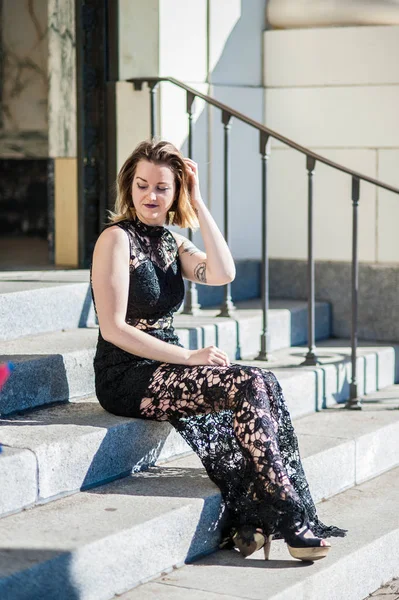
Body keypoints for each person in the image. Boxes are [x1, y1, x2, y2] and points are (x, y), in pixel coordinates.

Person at [90, 139, 346, 562]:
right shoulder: (115, 240)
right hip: (126, 373)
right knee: (247, 382)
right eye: (141, 185)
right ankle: (287, 514)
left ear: (175, 195)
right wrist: (190, 357)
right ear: (128, 188)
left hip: (164, 365)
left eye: (162, 188)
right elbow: (114, 329)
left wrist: (199, 201)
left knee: (259, 378)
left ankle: (264, 517)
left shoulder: (172, 243)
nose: (150, 196)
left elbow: (223, 272)